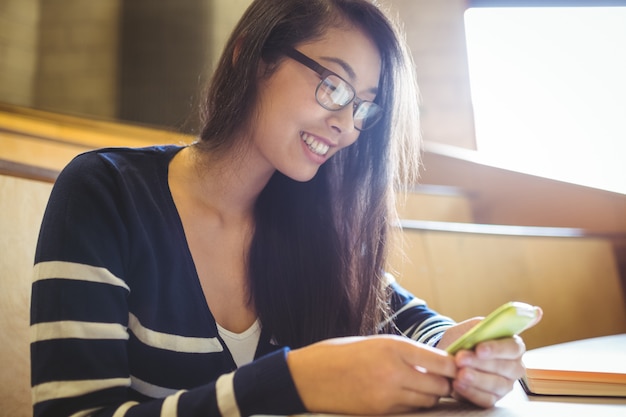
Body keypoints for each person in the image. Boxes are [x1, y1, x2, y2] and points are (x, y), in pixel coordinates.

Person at [30, 0, 534, 416]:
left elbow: (410, 322)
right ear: (250, 56)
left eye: (364, 106)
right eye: (333, 85)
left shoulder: (316, 221)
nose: (348, 124)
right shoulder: (106, 192)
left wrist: (469, 352)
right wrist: (291, 383)